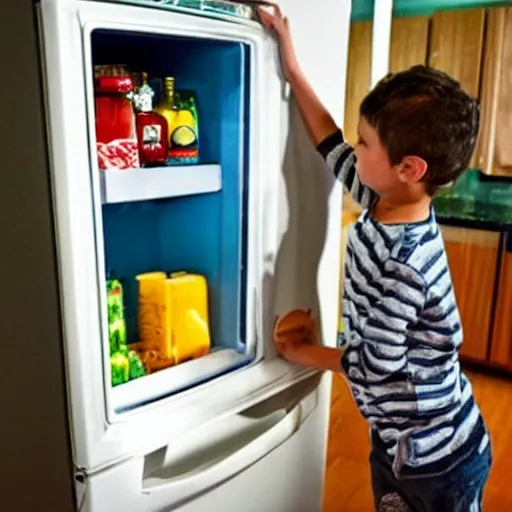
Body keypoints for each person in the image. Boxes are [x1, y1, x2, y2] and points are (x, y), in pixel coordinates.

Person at [259, 5, 491, 512]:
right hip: (398, 437)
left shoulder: (409, 263)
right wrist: (292, 68)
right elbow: (327, 142)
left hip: (439, 457)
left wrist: (303, 355)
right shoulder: (381, 197)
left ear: (409, 167)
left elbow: (374, 367)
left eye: (365, 142)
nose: (354, 148)